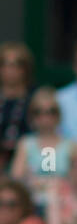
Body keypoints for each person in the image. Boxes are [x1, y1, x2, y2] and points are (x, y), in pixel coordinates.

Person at [9, 85, 70, 209]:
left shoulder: (71, 146)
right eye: (38, 112)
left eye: (50, 112)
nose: (45, 118)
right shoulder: (25, 144)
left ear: (58, 115)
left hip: (63, 205)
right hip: (31, 206)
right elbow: (16, 179)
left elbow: (76, 181)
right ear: (32, 116)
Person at [0, 40, 33, 173]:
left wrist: (47, 171)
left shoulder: (37, 99)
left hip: (30, 166)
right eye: (5, 65)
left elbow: (49, 139)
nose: (11, 70)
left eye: (17, 65)